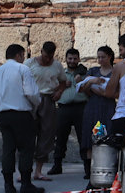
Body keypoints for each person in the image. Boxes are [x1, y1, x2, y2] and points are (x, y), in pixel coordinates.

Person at [0, 42, 41, 193]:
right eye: (23, 56)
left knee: (8, 149)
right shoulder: (22, 69)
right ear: (19, 55)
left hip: (3, 115)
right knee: (26, 148)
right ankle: (26, 184)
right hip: (22, 114)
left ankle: (8, 185)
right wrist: (35, 107)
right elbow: (32, 93)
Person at [25, 40, 68, 180]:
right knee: (28, 134)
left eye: (51, 56)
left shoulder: (57, 65)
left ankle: (38, 171)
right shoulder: (29, 64)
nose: (48, 59)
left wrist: (59, 92)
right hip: (31, 100)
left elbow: (63, 81)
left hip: (48, 100)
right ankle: (24, 171)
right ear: (41, 52)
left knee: (46, 135)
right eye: (46, 56)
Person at [78, 46, 117, 184]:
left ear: (110, 57)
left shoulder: (115, 72)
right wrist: (91, 81)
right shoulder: (93, 71)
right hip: (93, 106)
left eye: (103, 57)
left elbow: (117, 92)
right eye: (98, 57)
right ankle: (89, 171)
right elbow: (82, 89)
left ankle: (106, 167)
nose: (100, 60)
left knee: (106, 136)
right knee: (91, 138)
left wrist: (102, 91)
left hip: (107, 107)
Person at [51, 47, 87, 176]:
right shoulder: (61, 75)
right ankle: (57, 165)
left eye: (74, 58)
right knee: (60, 137)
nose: (72, 61)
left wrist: (82, 81)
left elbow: (91, 89)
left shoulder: (84, 73)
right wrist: (61, 86)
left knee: (84, 138)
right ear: (66, 59)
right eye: (70, 58)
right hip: (63, 108)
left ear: (78, 59)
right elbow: (52, 91)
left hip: (81, 108)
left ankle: (87, 167)